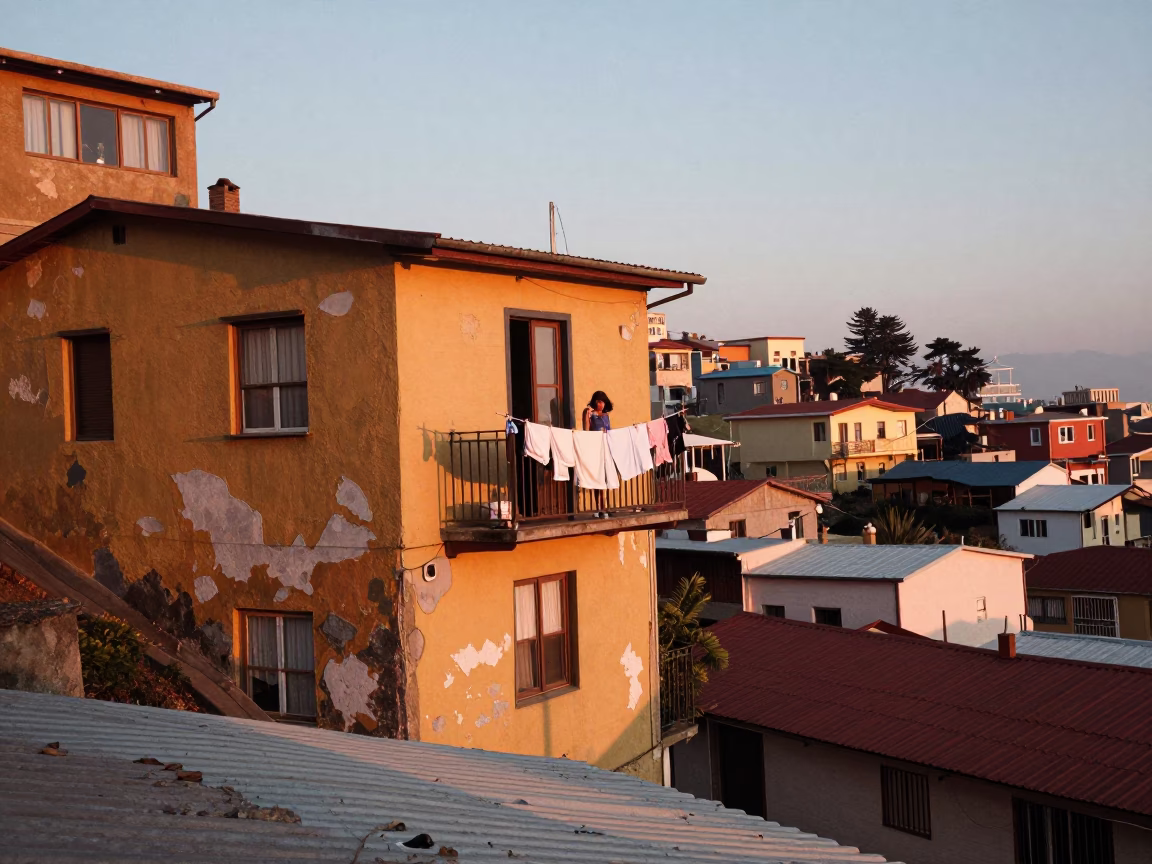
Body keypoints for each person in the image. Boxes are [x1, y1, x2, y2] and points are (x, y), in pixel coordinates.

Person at [583, 391, 613, 517]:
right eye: (598, 402)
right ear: (595, 402)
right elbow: (585, 429)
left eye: (602, 402)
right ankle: (598, 508)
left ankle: (604, 507)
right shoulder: (590, 414)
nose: (600, 404)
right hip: (595, 448)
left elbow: (610, 431)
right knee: (596, 479)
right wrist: (587, 416)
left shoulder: (606, 416)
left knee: (605, 480)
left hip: (605, 447)